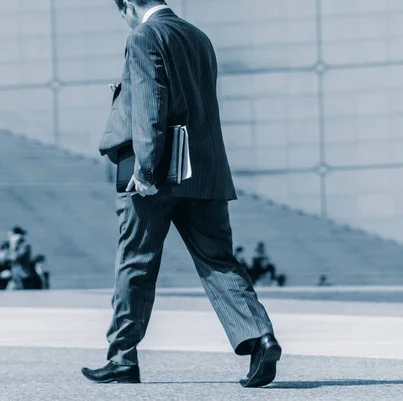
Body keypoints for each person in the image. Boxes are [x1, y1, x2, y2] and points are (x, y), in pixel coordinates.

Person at [83, 0, 281, 388]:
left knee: (135, 263)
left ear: (126, 4)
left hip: (156, 172)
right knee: (219, 260)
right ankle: (260, 337)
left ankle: (122, 357)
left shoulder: (143, 36)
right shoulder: (198, 37)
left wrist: (145, 167)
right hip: (204, 172)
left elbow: (148, 103)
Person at [4, 226, 33, 291]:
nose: (10, 238)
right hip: (15, 276)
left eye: (11, 236)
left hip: (22, 275)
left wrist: (12, 245)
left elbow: (14, 258)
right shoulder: (17, 245)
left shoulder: (24, 246)